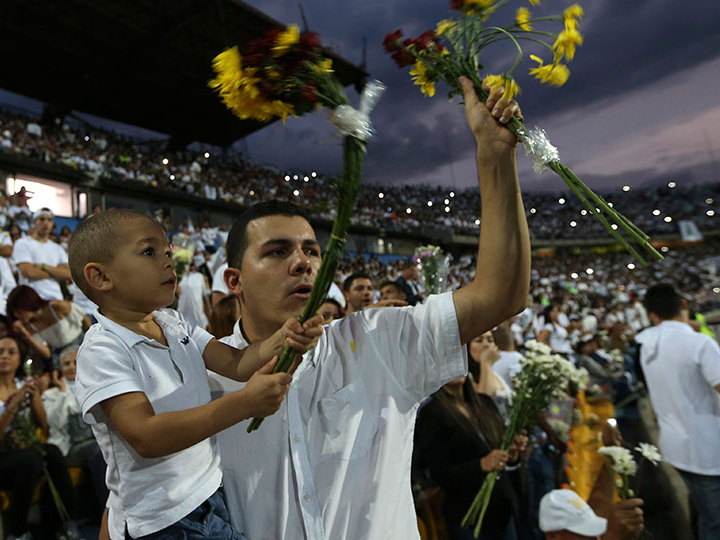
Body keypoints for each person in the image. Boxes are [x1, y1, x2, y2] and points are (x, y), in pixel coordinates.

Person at [209, 77, 529, 539]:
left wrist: (495, 155)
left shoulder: (379, 340)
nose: (302, 262)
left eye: (312, 251)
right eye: (277, 252)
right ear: (234, 281)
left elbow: (502, 295)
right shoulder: (204, 380)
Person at [67, 208, 323, 540]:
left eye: (168, 252)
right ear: (100, 277)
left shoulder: (173, 323)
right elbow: (145, 435)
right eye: (149, 252)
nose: (168, 261)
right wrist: (244, 405)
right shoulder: (103, 350)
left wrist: (284, 337)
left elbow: (236, 363)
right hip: (164, 520)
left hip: (207, 497)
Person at [636, 283, 720, 540]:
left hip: (677, 449)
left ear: (652, 315)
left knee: (707, 521)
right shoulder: (699, 343)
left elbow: (678, 377)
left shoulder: (647, 344)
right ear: (684, 305)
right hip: (708, 452)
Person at [0, 333, 78, 540]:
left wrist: (34, 400)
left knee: (52, 452)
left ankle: (59, 526)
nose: (4, 356)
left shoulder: (23, 386)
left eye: (11, 352)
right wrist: (13, 406)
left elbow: (44, 426)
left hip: (16, 456)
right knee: (30, 459)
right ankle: (16, 532)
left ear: (19, 360)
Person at [415, 375, 528, 540]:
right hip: (466, 514)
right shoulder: (433, 413)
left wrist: (512, 454)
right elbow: (438, 473)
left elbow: (500, 446)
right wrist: (480, 465)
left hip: (501, 510)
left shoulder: (485, 403)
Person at [42, 346, 107, 516]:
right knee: (98, 451)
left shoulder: (93, 387)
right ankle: (107, 516)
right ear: (59, 370)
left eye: (75, 363)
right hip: (68, 447)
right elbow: (56, 423)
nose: (71, 367)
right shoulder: (51, 395)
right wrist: (64, 394)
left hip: (94, 440)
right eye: (66, 363)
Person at [7, 285, 90, 370]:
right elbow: (47, 354)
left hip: (82, 345)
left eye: (17, 311)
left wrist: (91, 341)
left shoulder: (56, 306)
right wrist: (25, 333)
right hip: (59, 359)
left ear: (27, 304)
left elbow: (84, 320)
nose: (16, 315)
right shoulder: (29, 327)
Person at [13, 208, 71, 301]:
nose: (46, 223)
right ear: (34, 222)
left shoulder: (57, 248)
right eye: (42, 219)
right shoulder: (22, 243)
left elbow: (69, 274)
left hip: (56, 298)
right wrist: (57, 272)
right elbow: (28, 272)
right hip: (31, 299)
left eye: (49, 220)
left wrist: (44, 266)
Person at [468, 330, 514, 419]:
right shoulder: (465, 379)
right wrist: (486, 364)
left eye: (490, 340)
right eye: (479, 340)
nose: (486, 345)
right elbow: (484, 409)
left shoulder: (496, 375)